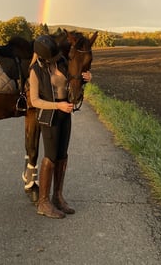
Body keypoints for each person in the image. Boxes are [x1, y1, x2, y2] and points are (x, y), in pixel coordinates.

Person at [29, 35, 92, 218]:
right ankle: (43, 203)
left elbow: (76, 76)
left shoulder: (62, 62)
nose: (56, 59)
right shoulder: (35, 71)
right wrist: (58, 105)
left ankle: (57, 197)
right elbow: (35, 100)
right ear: (43, 57)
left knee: (63, 156)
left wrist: (88, 77)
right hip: (50, 117)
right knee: (50, 157)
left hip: (65, 114)